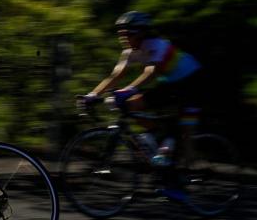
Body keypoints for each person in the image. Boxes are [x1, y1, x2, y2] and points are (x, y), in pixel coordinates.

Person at [83, 11, 203, 172]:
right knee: (133, 104)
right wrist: (92, 94)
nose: (123, 37)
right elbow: (115, 76)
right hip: (169, 81)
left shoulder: (156, 44)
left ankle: (187, 174)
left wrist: (128, 90)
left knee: (186, 132)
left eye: (127, 33)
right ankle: (159, 140)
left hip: (191, 79)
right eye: (120, 33)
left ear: (141, 32)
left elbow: (150, 72)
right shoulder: (128, 52)